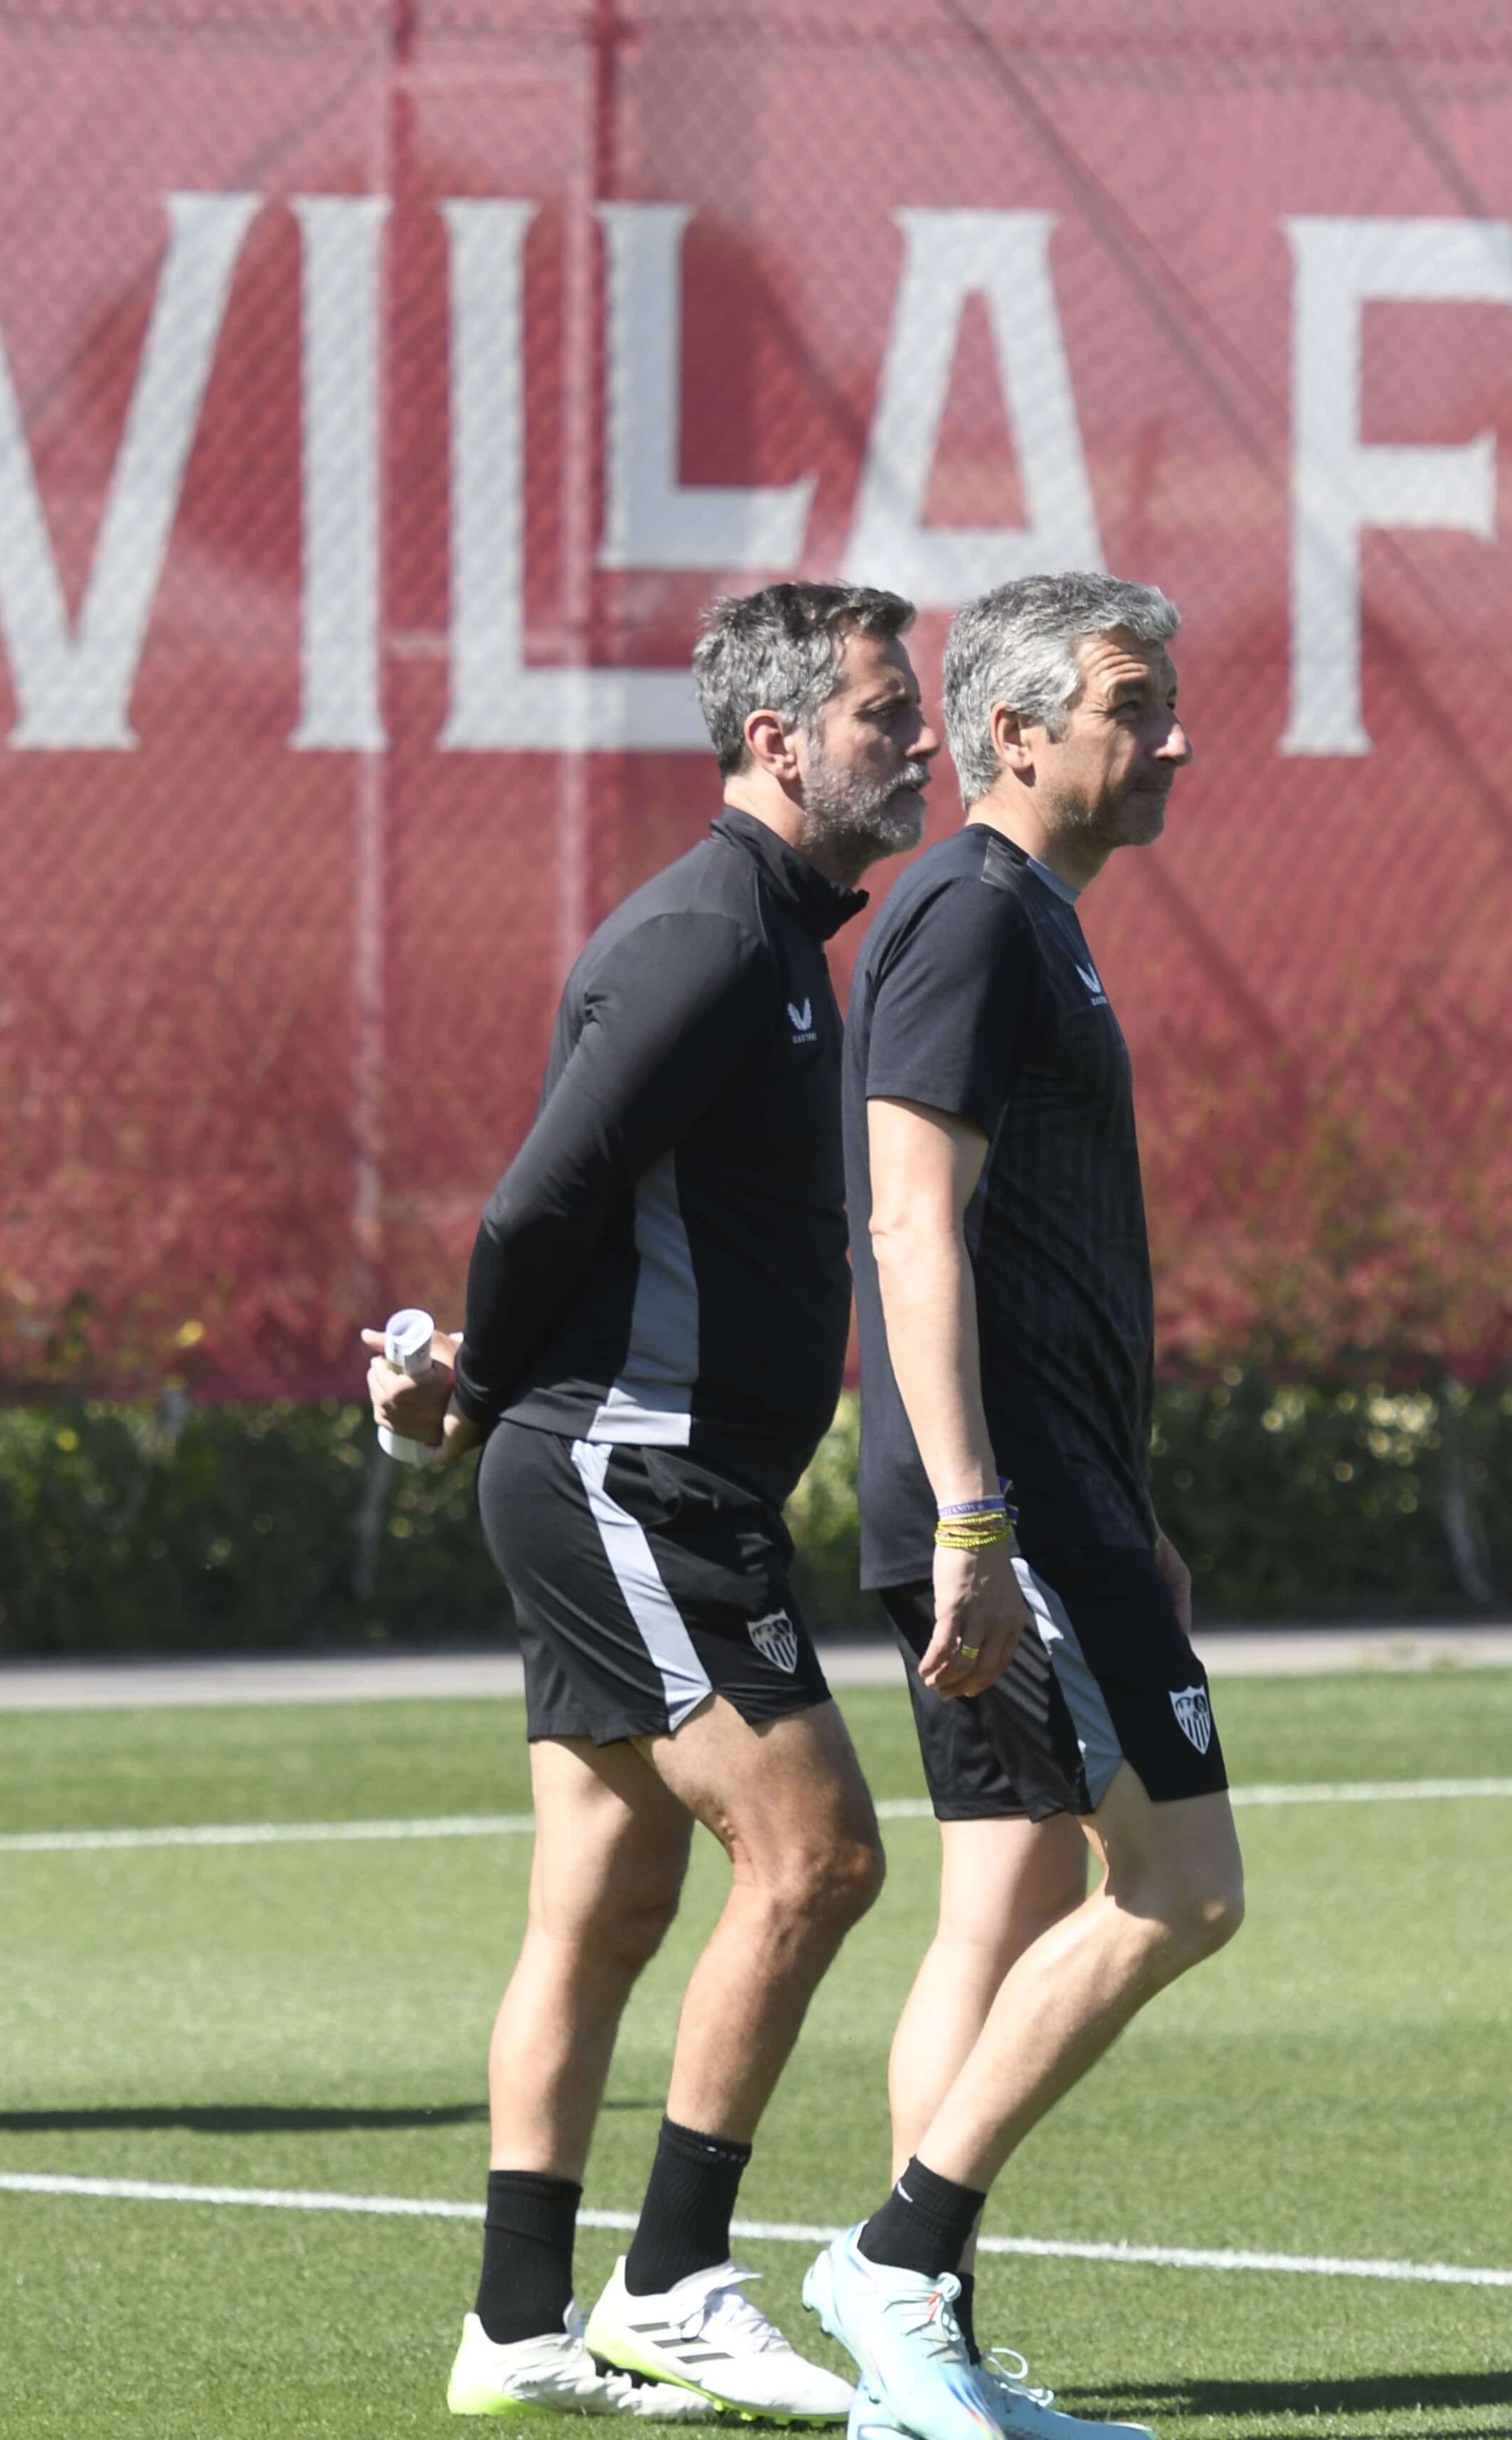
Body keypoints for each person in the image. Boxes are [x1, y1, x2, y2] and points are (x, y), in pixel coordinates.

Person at [369, 581, 939, 2422]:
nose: (912, 737)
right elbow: (538, 1207)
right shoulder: (707, 939)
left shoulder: (777, 943)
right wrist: (471, 1404)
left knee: (602, 1916)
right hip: (633, 1474)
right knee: (819, 1857)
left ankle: (516, 2329)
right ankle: (676, 2279)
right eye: (879, 713)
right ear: (775, 744)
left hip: (640, 1472)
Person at [804, 573, 1235, 2440]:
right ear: (1015, 734)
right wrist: (985, 1515)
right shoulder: (977, 918)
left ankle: (928, 2363)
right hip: (1010, 1510)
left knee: (1008, 1893)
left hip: (1054, 1500)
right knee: (1187, 1883)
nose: (1173, 737)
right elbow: (911, 1221)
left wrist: (1120, 1499)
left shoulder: (1022, 924)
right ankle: (898, 2255)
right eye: (1132, 705)